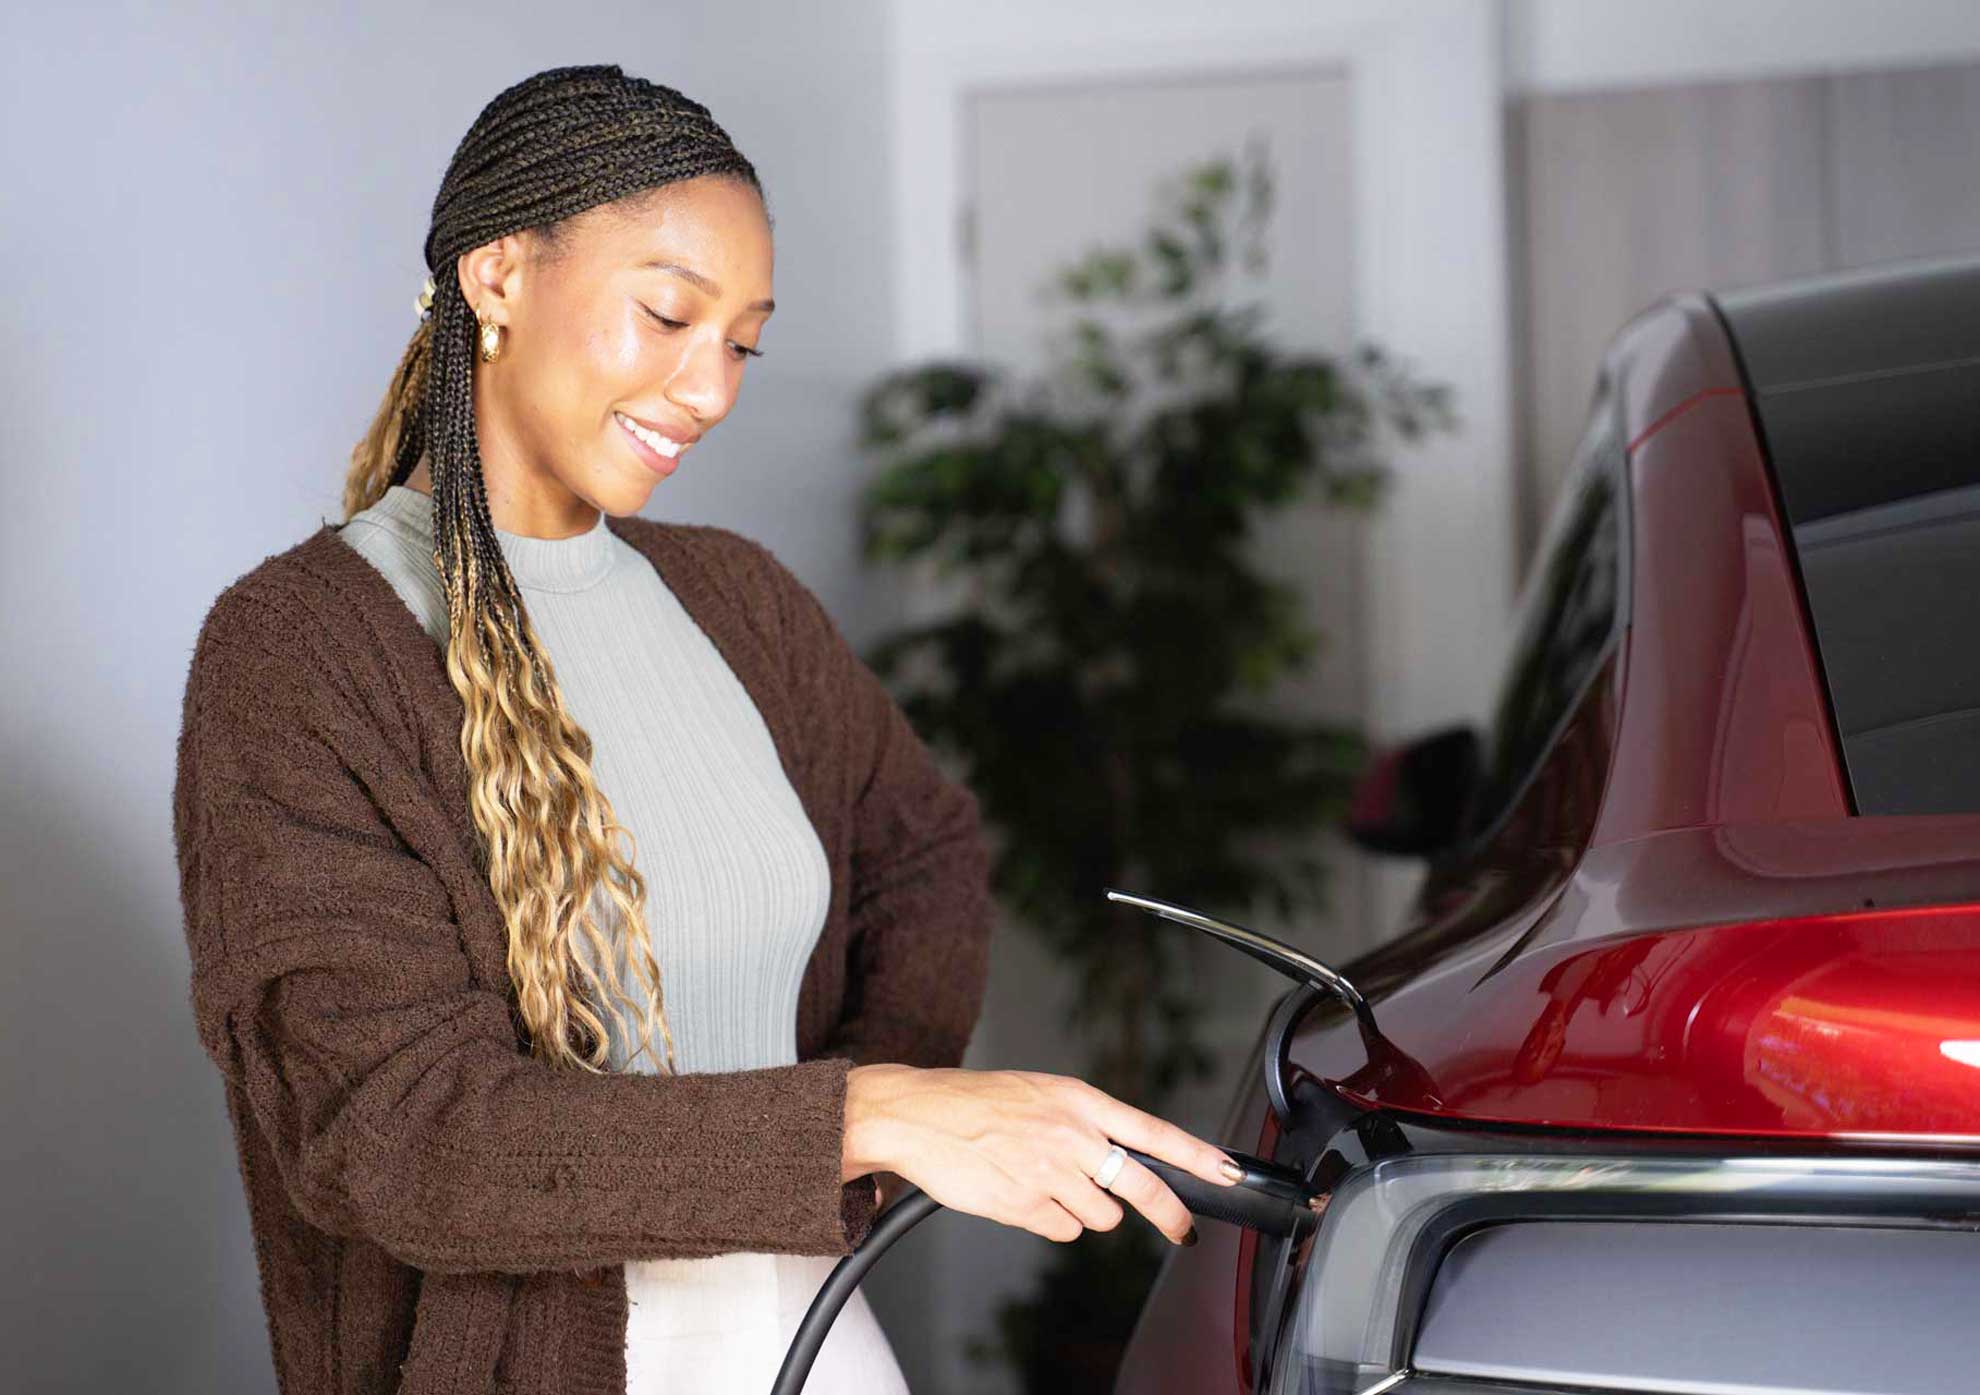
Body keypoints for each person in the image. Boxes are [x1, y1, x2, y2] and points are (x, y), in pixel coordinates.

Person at [170, 63, 1244, 1395]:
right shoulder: (301, 650)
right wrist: (868, 1116)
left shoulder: (735, 598)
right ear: (497, 277)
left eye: (741, 340)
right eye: (670, 314)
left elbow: (925, 848)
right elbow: (393, 1134)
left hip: (814, 1337)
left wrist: (873, 1131)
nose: (711, 388)